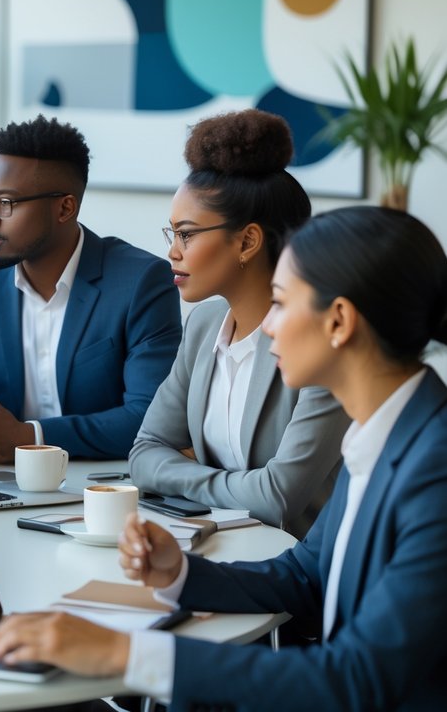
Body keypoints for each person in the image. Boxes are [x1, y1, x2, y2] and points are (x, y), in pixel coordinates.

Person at [0, 206, 447, 710]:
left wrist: (123, 653)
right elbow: (305, 576)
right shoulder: (385, 433)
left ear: (338, 321)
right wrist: (178, 573)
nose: (266, 325)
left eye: (280, 303)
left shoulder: (434, 468)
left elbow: (355, 680)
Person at [128, 110, 350, 537]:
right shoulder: (203, 325)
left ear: (247, 241)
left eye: (186, 234)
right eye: (171, 234)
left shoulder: (321, 343)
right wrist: (236, 489)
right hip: (214, 546)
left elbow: (278, 498)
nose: (173, 252)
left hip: (301, 576)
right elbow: (143, 453)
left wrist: (183, 476)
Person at [0, 114, 182, 461]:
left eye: (6, 203)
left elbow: (148, 417)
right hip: (0, 477)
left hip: (98, 484)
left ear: (64, 208)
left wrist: (31, 436)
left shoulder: (140, 281)